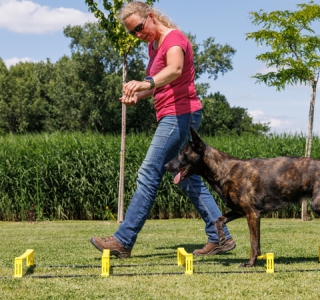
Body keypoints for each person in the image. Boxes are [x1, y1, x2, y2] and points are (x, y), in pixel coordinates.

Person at [90, 1, 235, 258]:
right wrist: (139, 95)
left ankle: (123, 240)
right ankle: (220, 236)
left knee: (149, 171)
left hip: (180, 114)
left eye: (138, 27)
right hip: (171, 114)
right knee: (187, 180)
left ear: (151, 16)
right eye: (131, 32)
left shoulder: (173, 39)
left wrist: (144, 81)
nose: (136, 34)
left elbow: (175, 69)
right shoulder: (152, 46)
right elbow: (159, 85)